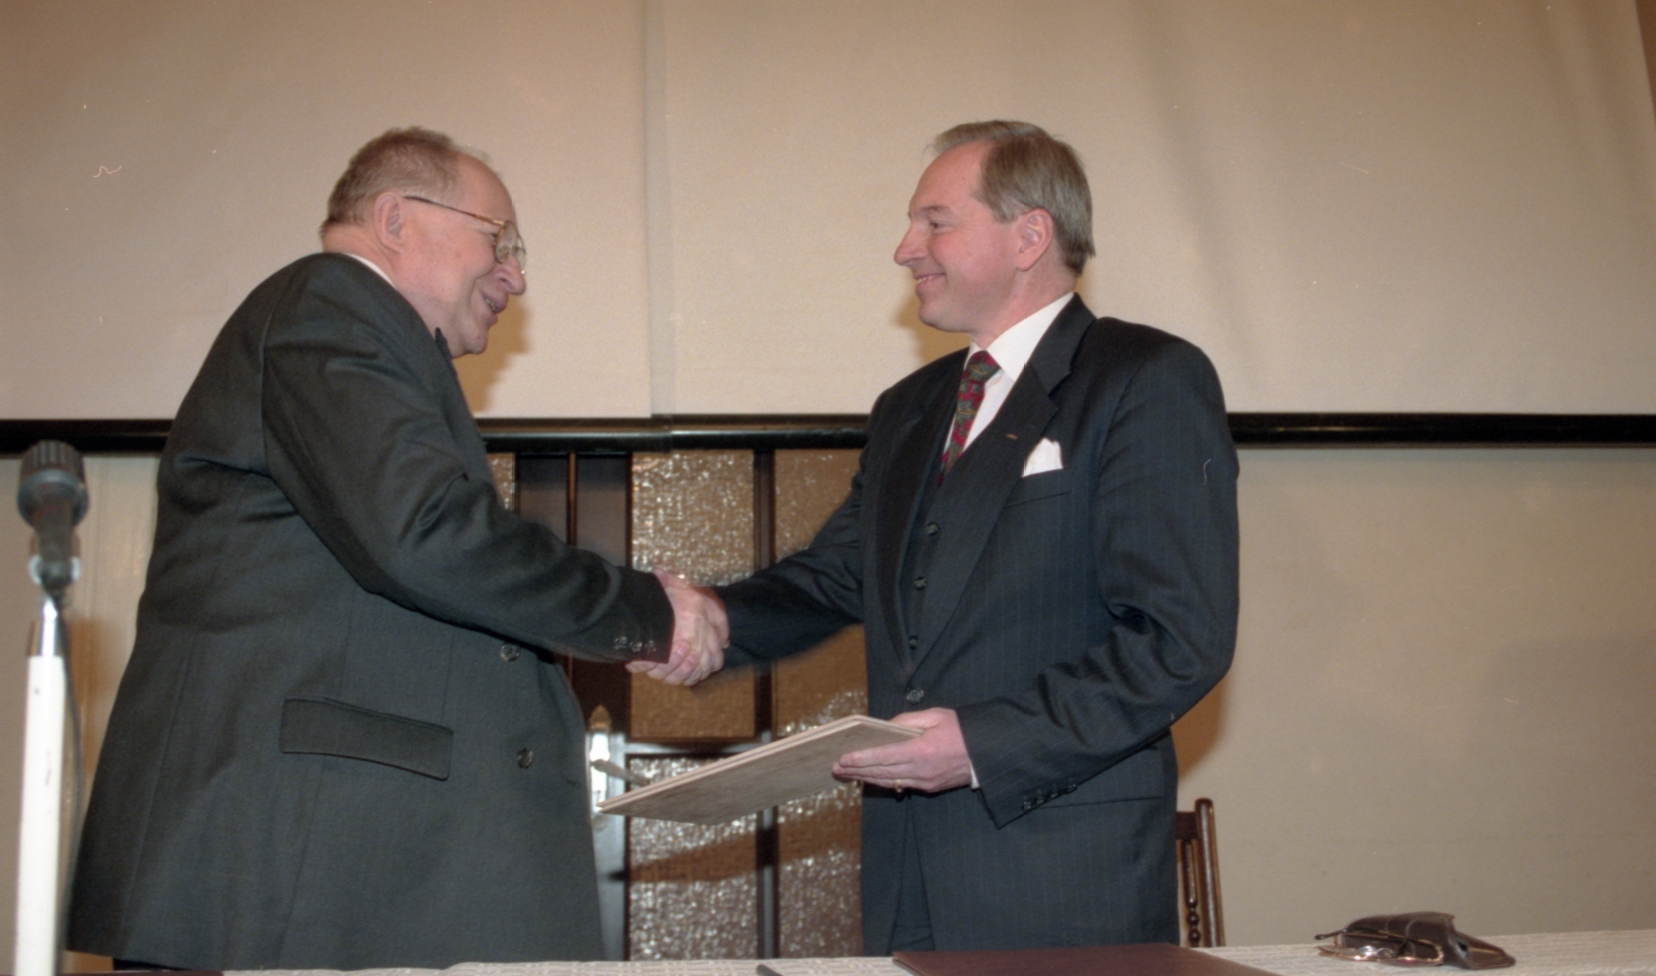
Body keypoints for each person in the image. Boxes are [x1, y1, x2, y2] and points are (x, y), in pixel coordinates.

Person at [68, 127, 721, 971]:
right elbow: (425, 533)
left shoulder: (358, 334)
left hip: (328, 872)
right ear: (394, 218)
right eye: (500, 240)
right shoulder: (329, 303)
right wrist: (646, 614)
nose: (515, 275)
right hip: (283, 872)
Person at [705, 121, 1239, 952]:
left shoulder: (1143, 378)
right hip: (906, 871)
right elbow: (837, 575)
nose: (904, 249)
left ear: (1030, 235)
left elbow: (1178, 641)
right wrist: (701, 620)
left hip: (1063, 881)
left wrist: (983, 746)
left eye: (935, 222)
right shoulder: (908, 409)